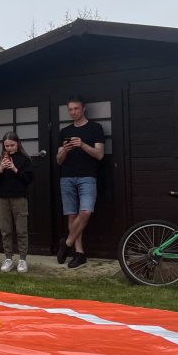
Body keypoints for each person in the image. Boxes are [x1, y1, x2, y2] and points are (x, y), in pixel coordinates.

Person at [55, 95, 105, 268]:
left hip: (87, 176)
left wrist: (82, 145)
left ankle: (66, 243)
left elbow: (99, 154)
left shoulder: (95, 128)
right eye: (70, 109)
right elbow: (59, 160)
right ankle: (79, 253)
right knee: (72, 214)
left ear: (84, 108)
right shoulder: (64, 132)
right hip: (67, 176)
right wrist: (66, 150)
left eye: (76, 108)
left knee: (85, 212)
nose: (73, 112)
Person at [0, 132, 33, 273]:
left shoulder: (24, 160)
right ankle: (8, 258)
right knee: (6, 230)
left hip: (20, 198)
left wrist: (15, 169)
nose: (9, 148)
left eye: (12, 145)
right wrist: (1, 169)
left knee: (22, 229)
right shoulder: (0, 160)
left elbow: (28, 179)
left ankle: (22, 260)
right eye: (6, 146)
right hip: (3, 199)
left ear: (18, 144)